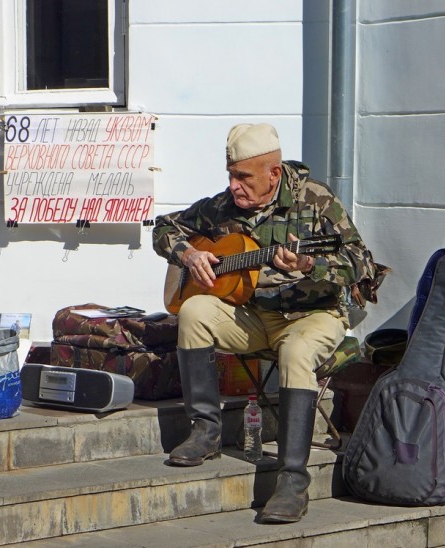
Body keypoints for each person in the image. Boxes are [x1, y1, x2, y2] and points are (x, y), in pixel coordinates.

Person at [152, 123, 380, 524]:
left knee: (294, 352)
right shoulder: (223, 206)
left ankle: (293, 480)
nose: (235, 186)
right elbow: (164, 228)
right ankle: (205, 430)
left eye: (244, 177)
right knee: (193, 311)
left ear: (274, 174)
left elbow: (361, 263)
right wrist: (189, 256)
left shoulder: (316, 200)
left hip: (312, 316)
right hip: (255, 316)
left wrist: (310, 263)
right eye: (231, 176)